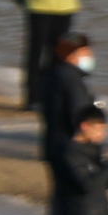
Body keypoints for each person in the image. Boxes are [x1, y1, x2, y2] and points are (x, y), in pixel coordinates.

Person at [33, 32, 99, 164]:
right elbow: (78, 112)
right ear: (71, 55)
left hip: (53, 144)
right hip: (70, 148)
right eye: (85, 52)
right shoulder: (71, 79)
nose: (90, 56)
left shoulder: (52, 74)